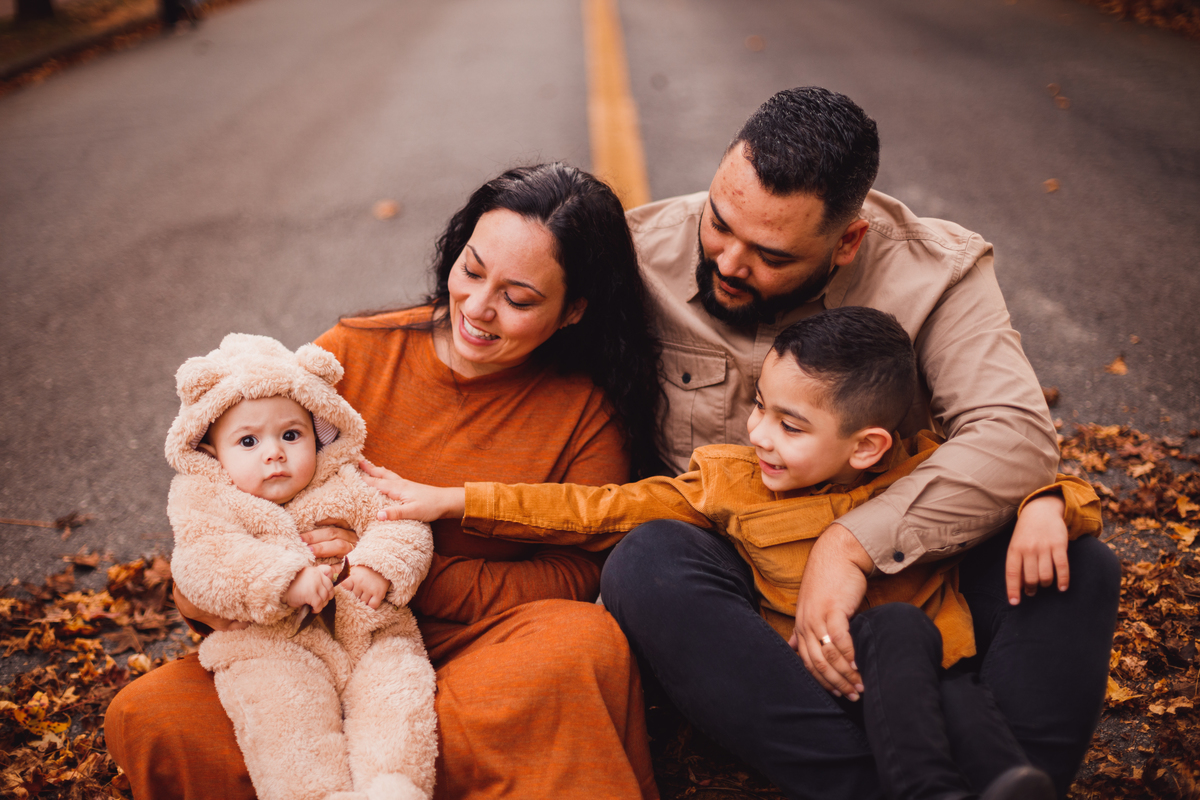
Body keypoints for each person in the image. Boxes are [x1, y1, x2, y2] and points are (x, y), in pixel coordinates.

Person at [607, 87, 1121, 798]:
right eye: (719, 223)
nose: (727, 262)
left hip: (906, 576)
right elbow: (499, 325)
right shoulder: (635, 252)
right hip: (737, 588)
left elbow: (1015, 436)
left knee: (1078, 568)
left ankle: (1008, 779)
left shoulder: (936, 273)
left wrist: (850, 544)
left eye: (771, 255)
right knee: (646, 562)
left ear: (847, 241)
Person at [372, 306, 1103, 800]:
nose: (759, 435)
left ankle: (987, 785)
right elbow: (599, 508)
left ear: (868, 447)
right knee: (910, 643)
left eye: (790, 425)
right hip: (818, 693)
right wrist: (457, 500)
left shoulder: (922, 471)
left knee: (918, 647)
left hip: (932, 680)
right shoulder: (732, 482)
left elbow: (1022, 480)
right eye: (760, 405)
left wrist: (1048, 504)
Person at [104, 162, 664, 800]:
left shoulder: (586, 411)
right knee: (149, 717)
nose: (478, 308)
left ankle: (400, 771)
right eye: (472, 270)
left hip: (477, 653)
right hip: (305, 655)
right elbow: (225, 494)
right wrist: (240, 586)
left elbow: (577, 576)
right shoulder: (352, 352)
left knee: (580, 644)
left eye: (519, 299)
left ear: (573, 311)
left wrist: (399, 573)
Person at [164, 333, 436, 800]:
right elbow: (203, 561)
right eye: (248, 441)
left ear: (319, 433)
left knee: (398, 696)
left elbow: (402, 522)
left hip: (368, 634)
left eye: (291, 435)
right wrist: (283, 580)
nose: (274, 452)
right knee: (284, 722)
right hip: (271, 646)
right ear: (212, 454)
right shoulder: (208, 500)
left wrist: (378, 565)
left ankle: (394, 785)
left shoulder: (345, 479)